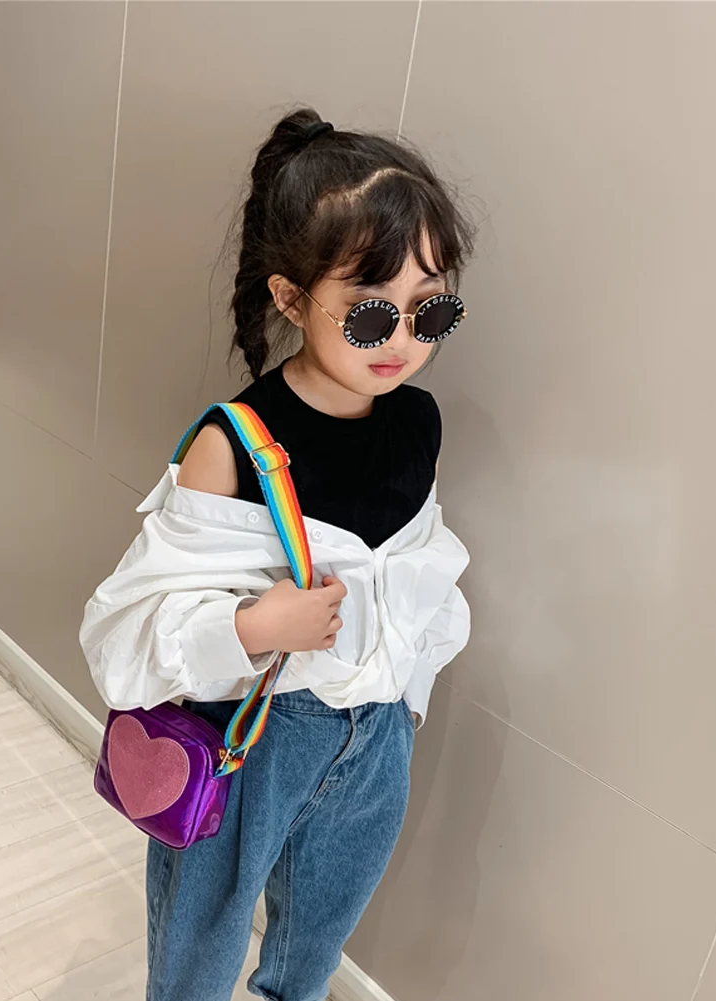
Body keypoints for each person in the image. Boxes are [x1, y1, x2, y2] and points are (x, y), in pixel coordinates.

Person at [80, 108, 474, 1001]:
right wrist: (252, 626)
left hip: (375, 739)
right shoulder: (231, 443)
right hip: (254, 741)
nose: (403, 339)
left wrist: (403, 701)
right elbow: (124, 630)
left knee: (317, 939)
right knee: (200, 940)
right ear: (291, 299)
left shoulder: (417, 422)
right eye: (369, 313)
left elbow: (423, 573)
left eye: (431, 308)